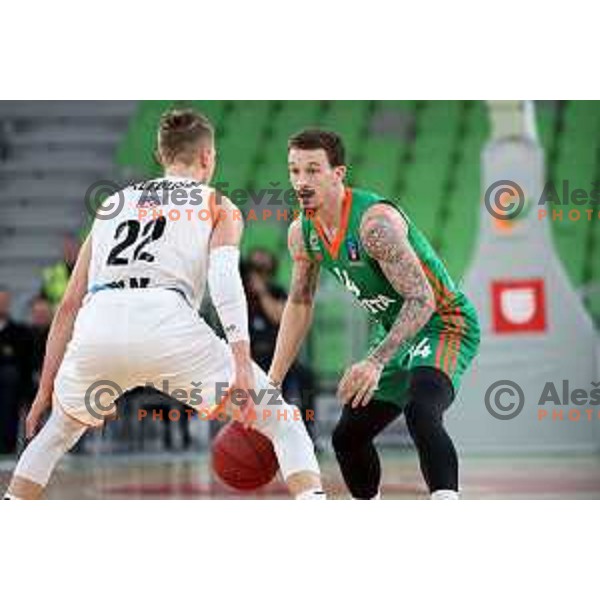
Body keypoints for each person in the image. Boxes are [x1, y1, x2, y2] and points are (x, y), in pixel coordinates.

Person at [3, 109, 324, 500]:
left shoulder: (111, 206)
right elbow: (224, 281)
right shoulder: (217, 203)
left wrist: (45, 390)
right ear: (208, 157)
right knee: (284, 421)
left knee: (57, 432)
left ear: (161, 154)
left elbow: (69, 305)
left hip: (99, 323)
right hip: (166, 323)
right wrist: (240, 362)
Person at [268, 129, 481, 500]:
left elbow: (421, 300)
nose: (301, 182)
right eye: (294, 171)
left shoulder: (374, 226)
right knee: (347, 437)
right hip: (393, 330)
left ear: (338, 174)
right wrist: (271, 383)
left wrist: (375, 361)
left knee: (421, 410)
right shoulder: (302, 235)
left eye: (313, 170)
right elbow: (300, 303)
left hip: (443, 322)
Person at [243, 248, 317, 440]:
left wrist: (263, 293)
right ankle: (252, 436)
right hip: (249, 359)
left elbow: (280, 318)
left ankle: (308, 432)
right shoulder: (240, 295)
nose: (259, 276)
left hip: (277, 357)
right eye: (255, 271)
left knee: (306, 378)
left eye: (263, 272)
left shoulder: (275, 291)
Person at [0, 287, 33, 455]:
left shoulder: (20, 333)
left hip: (12, 387)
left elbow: (25, 364)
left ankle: (7, 445)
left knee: (9, 377)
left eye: (4, 301)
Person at [40, 234, 80, 308]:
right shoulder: (52, 273)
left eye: (72, 247)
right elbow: (43, 298)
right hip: (59, 314)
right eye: (67, 248)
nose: (69, 251)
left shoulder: (89, 271)